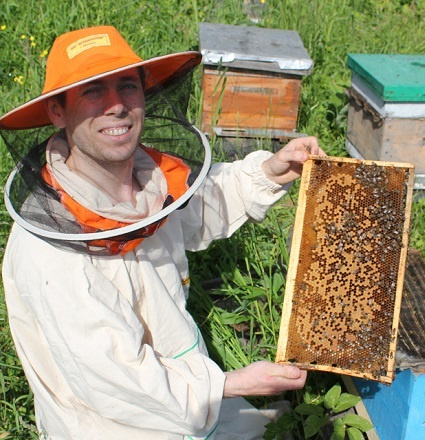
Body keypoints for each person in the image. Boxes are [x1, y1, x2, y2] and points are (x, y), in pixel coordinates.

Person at [0, 25, 324, 440]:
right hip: (112, 424)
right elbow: (115, 380)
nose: (117, 106)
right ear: (58, 113)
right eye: (93, 91)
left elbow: (199, 207)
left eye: (127, 87)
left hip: (188, 385)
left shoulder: (148, 180)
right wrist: (231, 383)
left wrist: (269, 172)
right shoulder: (49, 252)